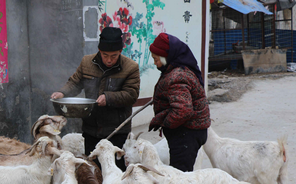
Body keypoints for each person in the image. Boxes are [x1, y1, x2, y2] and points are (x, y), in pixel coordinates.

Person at [51, 27, 140, 171]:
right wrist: (62, 93)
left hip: (117, 131)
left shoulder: (130, 67)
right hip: (92, 129)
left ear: (120, 52)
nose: (109, 60)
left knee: (114, 173)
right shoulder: (87, 62)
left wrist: (108, 97)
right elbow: (75, 82)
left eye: (114, 56)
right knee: (93, 171)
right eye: (105, 55)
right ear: (99, 50)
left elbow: (131, 94)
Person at [148, 32, 210, 172]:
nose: (155, 63)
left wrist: (166, 123)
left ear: (166, 57)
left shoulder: (177, 76)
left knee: (181, 177)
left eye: (156, 59)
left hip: (186, 134)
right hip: (189, 131)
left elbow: (183, 110)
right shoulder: (178, 69)